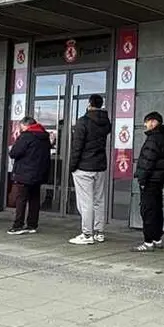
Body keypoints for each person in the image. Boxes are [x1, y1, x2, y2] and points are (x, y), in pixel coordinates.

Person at [68, 94, 112, 245]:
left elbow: (77, 147)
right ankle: (99, 232)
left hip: (84, 166)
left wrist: (72, 166)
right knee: (99, 200)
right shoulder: (105, 122)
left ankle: (87, 234)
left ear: (89, 104)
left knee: (86, 202)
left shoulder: (83, 121)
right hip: (100, 166)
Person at [132, 112, 164, 251]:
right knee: (156, 210)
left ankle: (148, 242)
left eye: (147, 122)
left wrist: (142, 179)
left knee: (147, 210)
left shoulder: (153, 139)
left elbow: (148, 161)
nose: (145, 124)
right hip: (158, 180)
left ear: (154, 122)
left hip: (150, 180)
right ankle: (157, 238)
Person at [8, 117, 51, 235]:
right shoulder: (44, 137)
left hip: (24, 173)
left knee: (21, 199)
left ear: (25, 125)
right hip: (39, 173)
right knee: (34, 199)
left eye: (21, 126)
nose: (20, 129)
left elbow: (14, 153)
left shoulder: (26, 136)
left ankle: (18, 225)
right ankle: (32, 225)